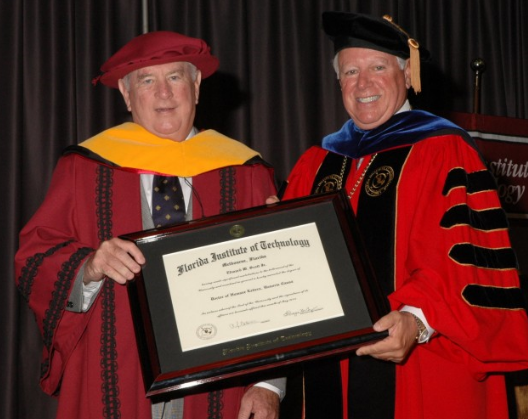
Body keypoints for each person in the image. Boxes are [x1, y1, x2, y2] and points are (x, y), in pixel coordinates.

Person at [15, 31, 284, 419]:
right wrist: (88, 266)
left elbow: (276, 286)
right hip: (112, 370)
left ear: (196, 86)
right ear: (126, 95)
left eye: (175, 77)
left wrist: (267, 383)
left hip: (219, 380)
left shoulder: (246, 172)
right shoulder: (83, 167)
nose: (164, 93)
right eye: (146, 80)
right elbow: (34, 258)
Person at [281, 11, 528, 419]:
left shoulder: (445, 151)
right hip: (332, 370)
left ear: (407, 75)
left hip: (424, 362)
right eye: (350, 72)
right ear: (339, 82)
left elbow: (465, 263)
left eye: (378, 67)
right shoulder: (316, 162)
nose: (363, 84)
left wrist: (416, 320)